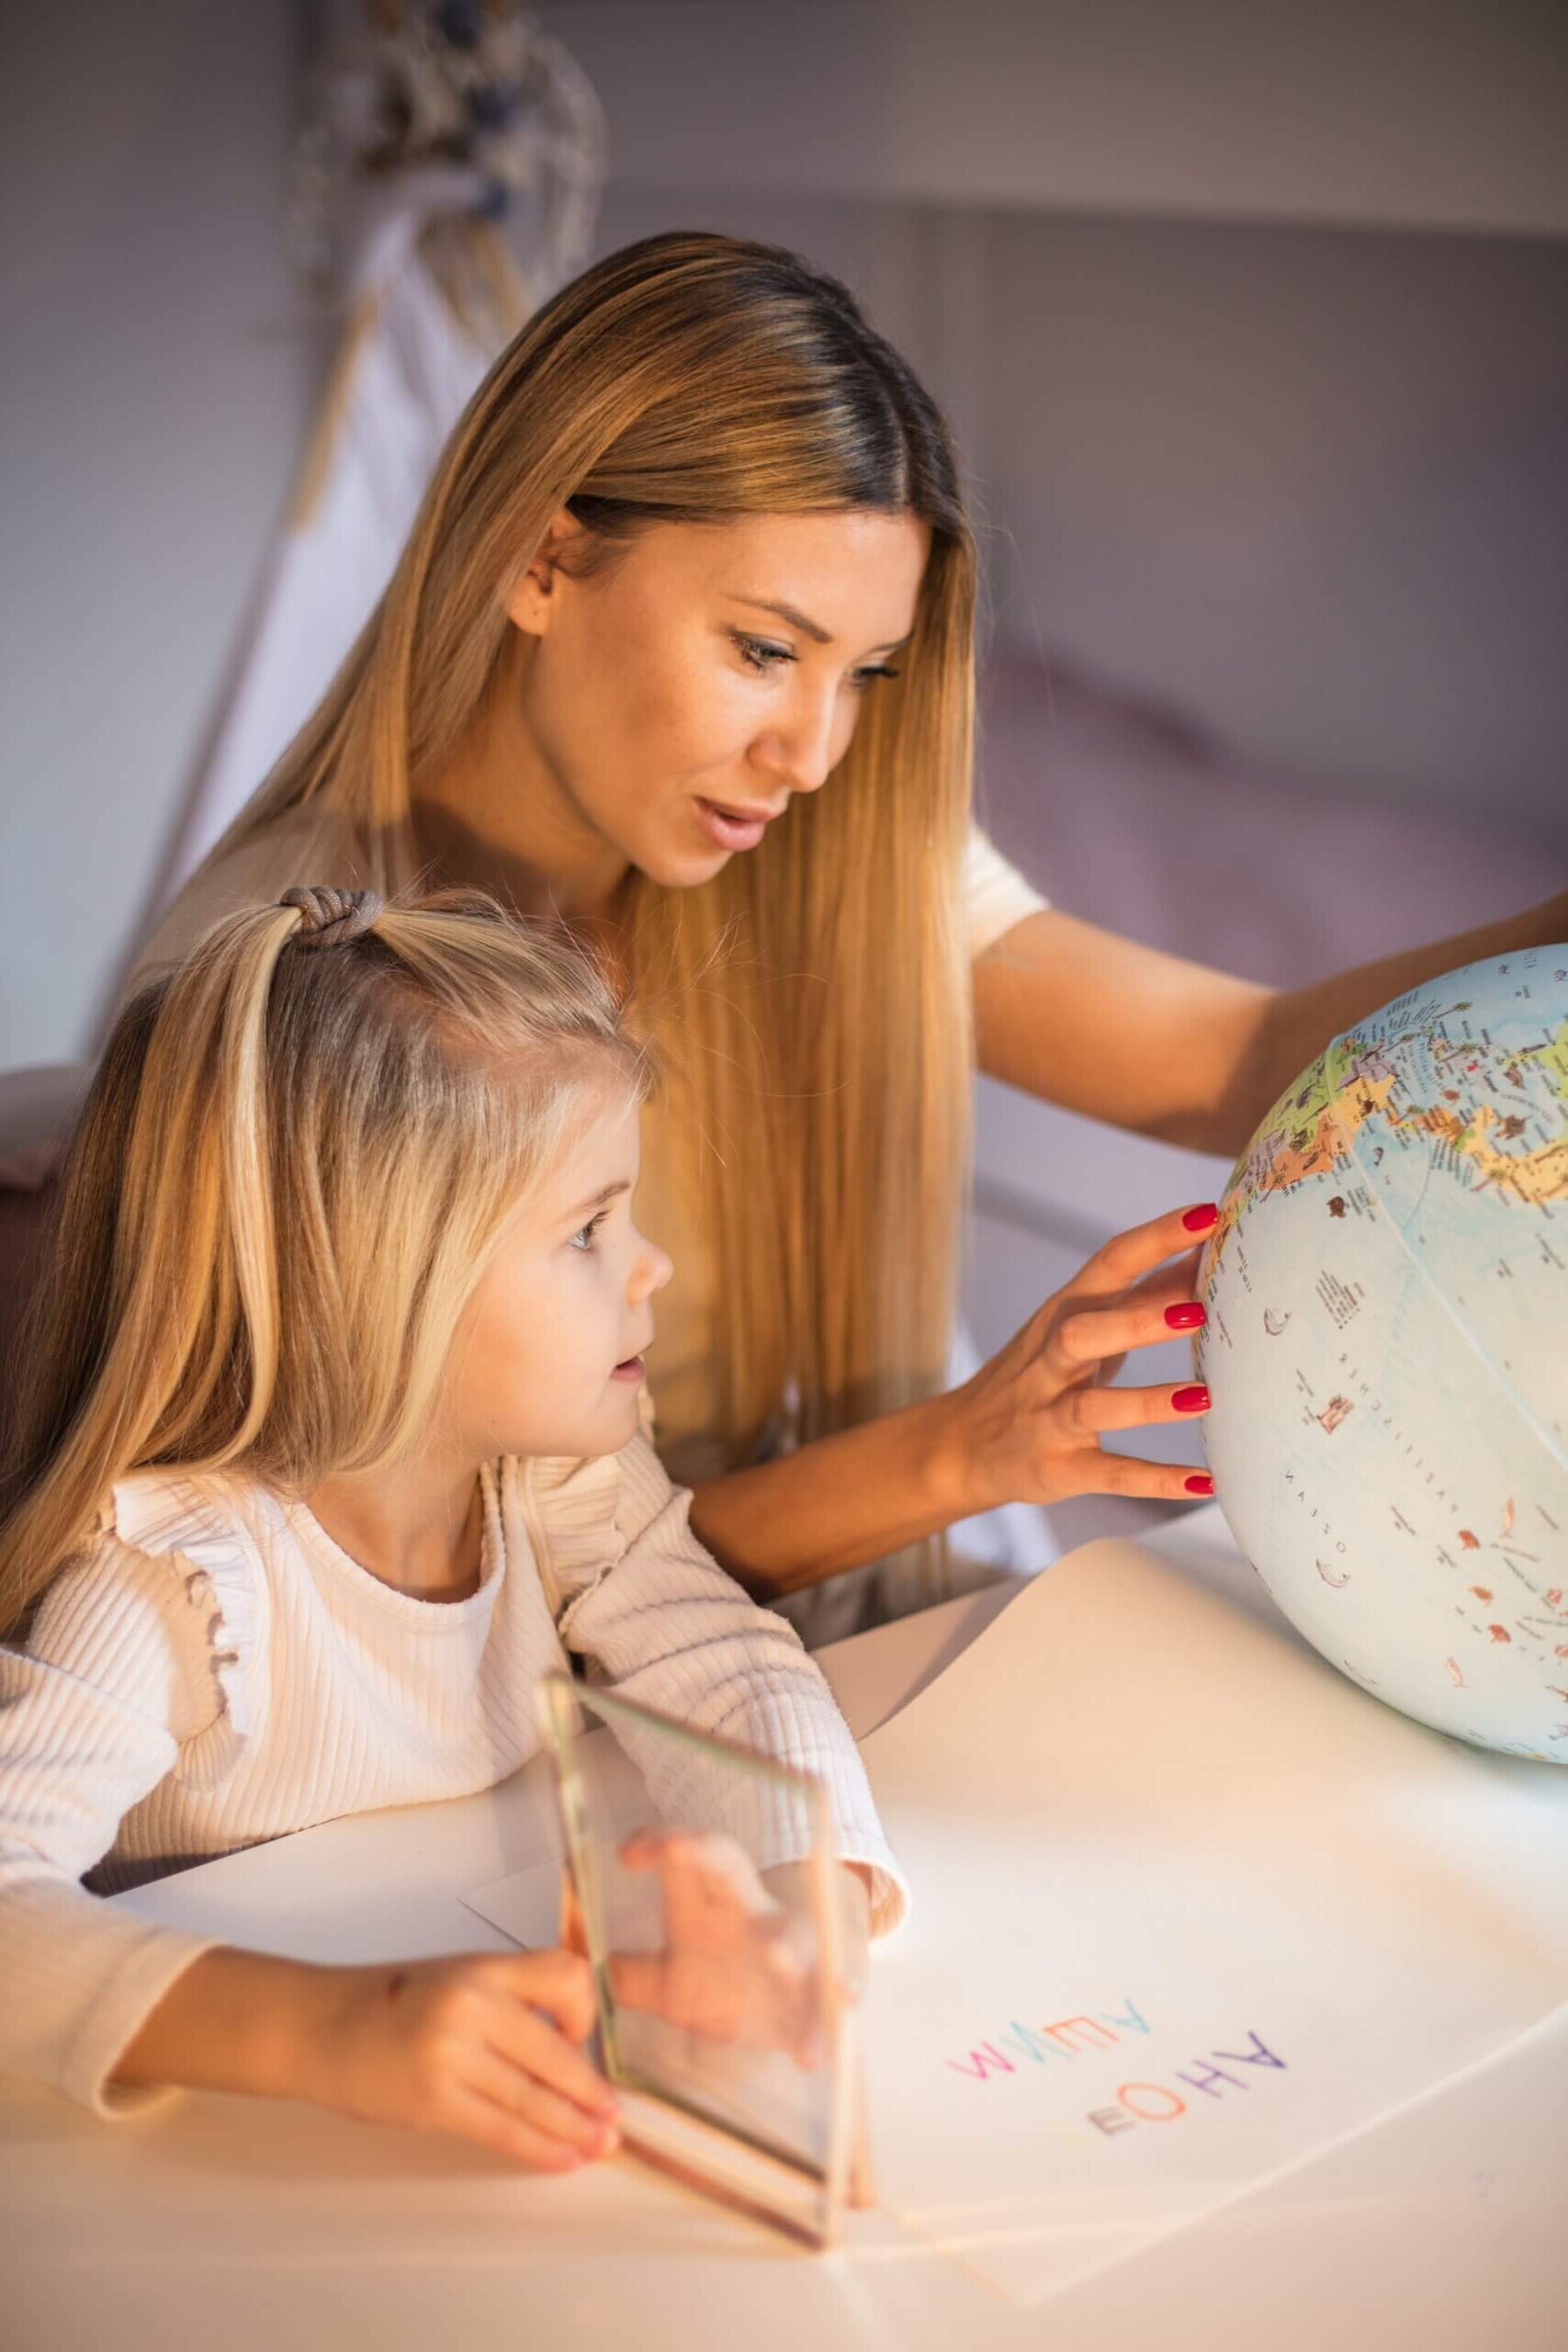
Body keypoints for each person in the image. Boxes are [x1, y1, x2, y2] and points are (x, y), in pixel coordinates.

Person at [128, 231, 1568, 1628]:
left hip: (857, 1634)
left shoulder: (823, 842)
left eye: (864, 672)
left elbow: (1230, 1058)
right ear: (542, 557)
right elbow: (456, 1617)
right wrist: (960, 1450)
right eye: (763, 651)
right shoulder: (292, 979)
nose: (812, 754)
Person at [0, 885, 906, 2162]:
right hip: (232, 2163)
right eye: (589, 1229)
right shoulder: (174, 1579)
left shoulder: (550, 1478)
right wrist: (337, 2031)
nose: (653, 1268)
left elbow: (725, 1663)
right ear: (375, 1284)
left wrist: (809, 1918)